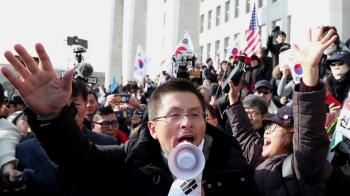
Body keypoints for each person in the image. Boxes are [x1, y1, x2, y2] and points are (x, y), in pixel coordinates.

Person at [0, 43, 259, 195]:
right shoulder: (129, 160)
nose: (186, 123)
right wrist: (52, 117)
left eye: (195, 114)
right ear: (152, 128)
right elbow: (76, 161)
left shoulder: (234, 165)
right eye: (174, 115)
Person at [226, 25, 337, 195]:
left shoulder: (304, 165)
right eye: (267, 127)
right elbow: (243, 133)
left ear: (292, 135)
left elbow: (308, 130)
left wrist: (310, 70)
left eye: (274, 128)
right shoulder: (259, 154)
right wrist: (234, 100)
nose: (266, 132)